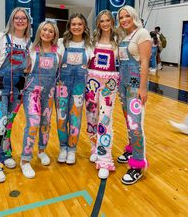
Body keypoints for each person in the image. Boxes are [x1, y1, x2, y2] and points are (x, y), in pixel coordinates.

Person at [0, 7, 31, 183]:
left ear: (27, 22)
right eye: (17, 18)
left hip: (17, 89)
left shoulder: (29, 42)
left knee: (9, 124)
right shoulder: (0, 37)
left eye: (23, 18)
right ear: (12, 20)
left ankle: (5, 154)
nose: (20, 21)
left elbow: (28, 67)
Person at [116, 5, 151, 185]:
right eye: (121, 17)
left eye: (127, 16)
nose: (124, 20)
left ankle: (137, 164)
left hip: (136, 84)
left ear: (133, 16)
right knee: (128, 120)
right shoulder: (124, 37)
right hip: (123, 84)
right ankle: (131, 149)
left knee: (135, 123)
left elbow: (145, 61)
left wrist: (143, 88)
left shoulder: (142, 33)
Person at [20, 21, 60, 178]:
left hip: (49, 93)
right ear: (39, 31)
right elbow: (24, 69)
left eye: (51, 31)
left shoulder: (58, 53)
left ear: (55, 34)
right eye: (45, 29)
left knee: (46, 123)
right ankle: (25, 160)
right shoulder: (30, 50)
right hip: (32, 92)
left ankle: (42, 150)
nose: (47, 33)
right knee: (33, 123)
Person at [85, 10, 119, 179]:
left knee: (105, 119)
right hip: (91, 83)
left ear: (112, 22)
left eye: (107, 20)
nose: (105, 23)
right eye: (101, 21)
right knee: (91, 116)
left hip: (109, 87)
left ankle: (105, 158)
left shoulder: (118, 42)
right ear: (98, 23)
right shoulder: (92, 41)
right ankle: (94, 148)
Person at [56, 13, 93, 165]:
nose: (76, 27)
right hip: (61, 86)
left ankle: (72, 149)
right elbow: (55, 64)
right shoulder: (61, 43)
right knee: (61, 118)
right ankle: (62, 147)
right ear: (69, 26)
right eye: (73, 24)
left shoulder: (90, 45)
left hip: (79, 87)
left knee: (76, 118)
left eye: (80, 24)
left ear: (84, 27)